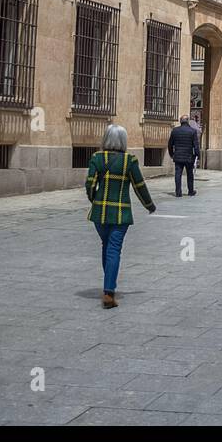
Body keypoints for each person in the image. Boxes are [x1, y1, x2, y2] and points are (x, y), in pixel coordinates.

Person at [85, 124, 155, 309]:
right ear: (123, 141)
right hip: (120, 213)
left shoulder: (97, 158)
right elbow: (139, 185)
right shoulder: (129, 161)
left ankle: (108, 285)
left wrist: (95, 200)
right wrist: (149, 205)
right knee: (114, 249)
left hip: (100, 214)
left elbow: (90, 184)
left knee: (106, 246)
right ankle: (109, 293)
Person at [168, 115, 201, 197]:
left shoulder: (175, 131)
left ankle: (178, 192)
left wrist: (172, 154)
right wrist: (198, 155)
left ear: (180, 121)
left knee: (178, 174)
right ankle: (190, 191)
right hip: (189, 157)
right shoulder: (192, 131)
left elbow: (170, 144)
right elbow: (196, 145)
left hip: (178, 156)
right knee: (190, 174)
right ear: (188, 121)